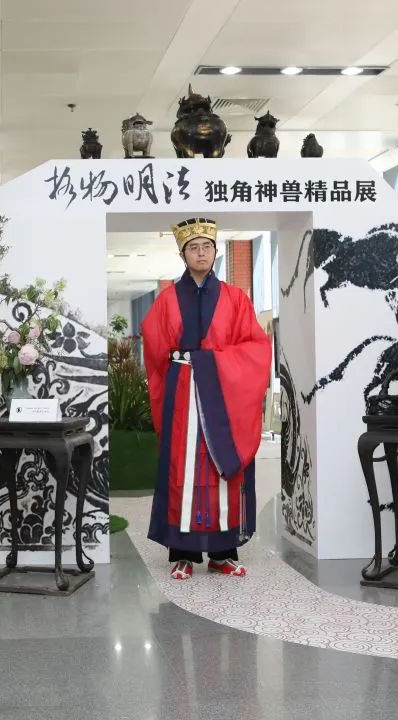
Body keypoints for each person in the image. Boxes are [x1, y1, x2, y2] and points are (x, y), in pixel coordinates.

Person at [141, 218, 271, 580]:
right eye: (194, 248)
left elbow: (256, 346)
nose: (201, 253)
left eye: (207, 247)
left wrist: (213, 362)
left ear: (215, 252)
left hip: (222, 394)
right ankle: (182, 553)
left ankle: (221, 553)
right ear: (182, 254)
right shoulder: (167, 299)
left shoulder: (235, 298)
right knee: (182, 467)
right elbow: (154, 347)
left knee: (220, 467)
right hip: (182, 391)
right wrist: (182, 369)